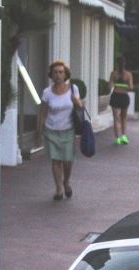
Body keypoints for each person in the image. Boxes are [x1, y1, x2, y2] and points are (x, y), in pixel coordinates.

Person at [35, 60, 82, 201]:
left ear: (65, 74)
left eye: (61, 72)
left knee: (67, 160)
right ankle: (58, 189)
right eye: (55, 72)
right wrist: (39, 133)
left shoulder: (73, 89)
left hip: (68, 129)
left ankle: (66, 182)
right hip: (51, 130)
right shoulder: (47, 93)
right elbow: (42, 113)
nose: (58, 75)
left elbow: (80, 108)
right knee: (55, 159)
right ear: (51, 75)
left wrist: (77, 102)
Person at [108, 57, 134, 145]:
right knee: (124, 117)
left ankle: (117, 138)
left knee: (116, 118)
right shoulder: (128, 74)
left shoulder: (113, 73)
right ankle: (124, 136)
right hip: (124, 96)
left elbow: (110, 86)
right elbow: (131, 87)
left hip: (115, 96)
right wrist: (125, 86)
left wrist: (116, 84)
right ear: (125, 64)